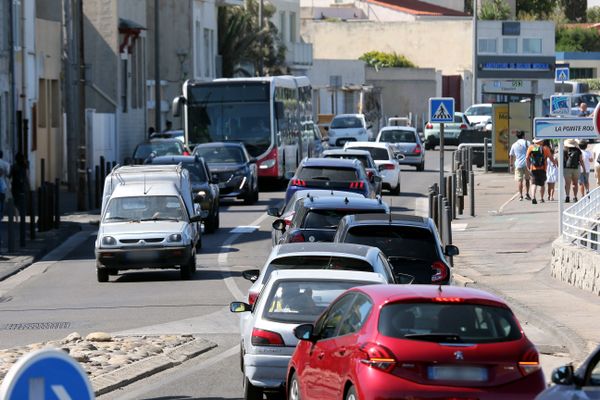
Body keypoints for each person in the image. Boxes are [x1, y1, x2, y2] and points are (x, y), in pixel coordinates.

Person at [526, 138, 554, 204]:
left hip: (533, 168)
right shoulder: (545, 148)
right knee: (542, 184)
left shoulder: (531, 147)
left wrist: (528, 167)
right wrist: (554, 162)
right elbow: (550, 157)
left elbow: (527, 158)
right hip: (543, 168)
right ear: (541, 141)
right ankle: (541, 198)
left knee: (533, 183)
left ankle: (533, 197)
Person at [508, 130, 531, 201]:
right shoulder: (528, 143)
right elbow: (532, 151)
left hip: (518, 164)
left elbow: (511, 155)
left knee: (520, 180)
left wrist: (511, 165)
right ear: (523, 136)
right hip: (527, 164)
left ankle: (521, 196)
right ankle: (527, 194)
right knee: (527, 180)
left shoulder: (514, 144)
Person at [10, 152, 29, 218]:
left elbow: (10, 176)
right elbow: (26, 176)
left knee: (16, 202)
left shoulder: (13, 166)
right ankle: (22, 214)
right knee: (23, 200)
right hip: (23, 185)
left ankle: (17, 216)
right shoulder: (25, 166)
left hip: (15, 185)